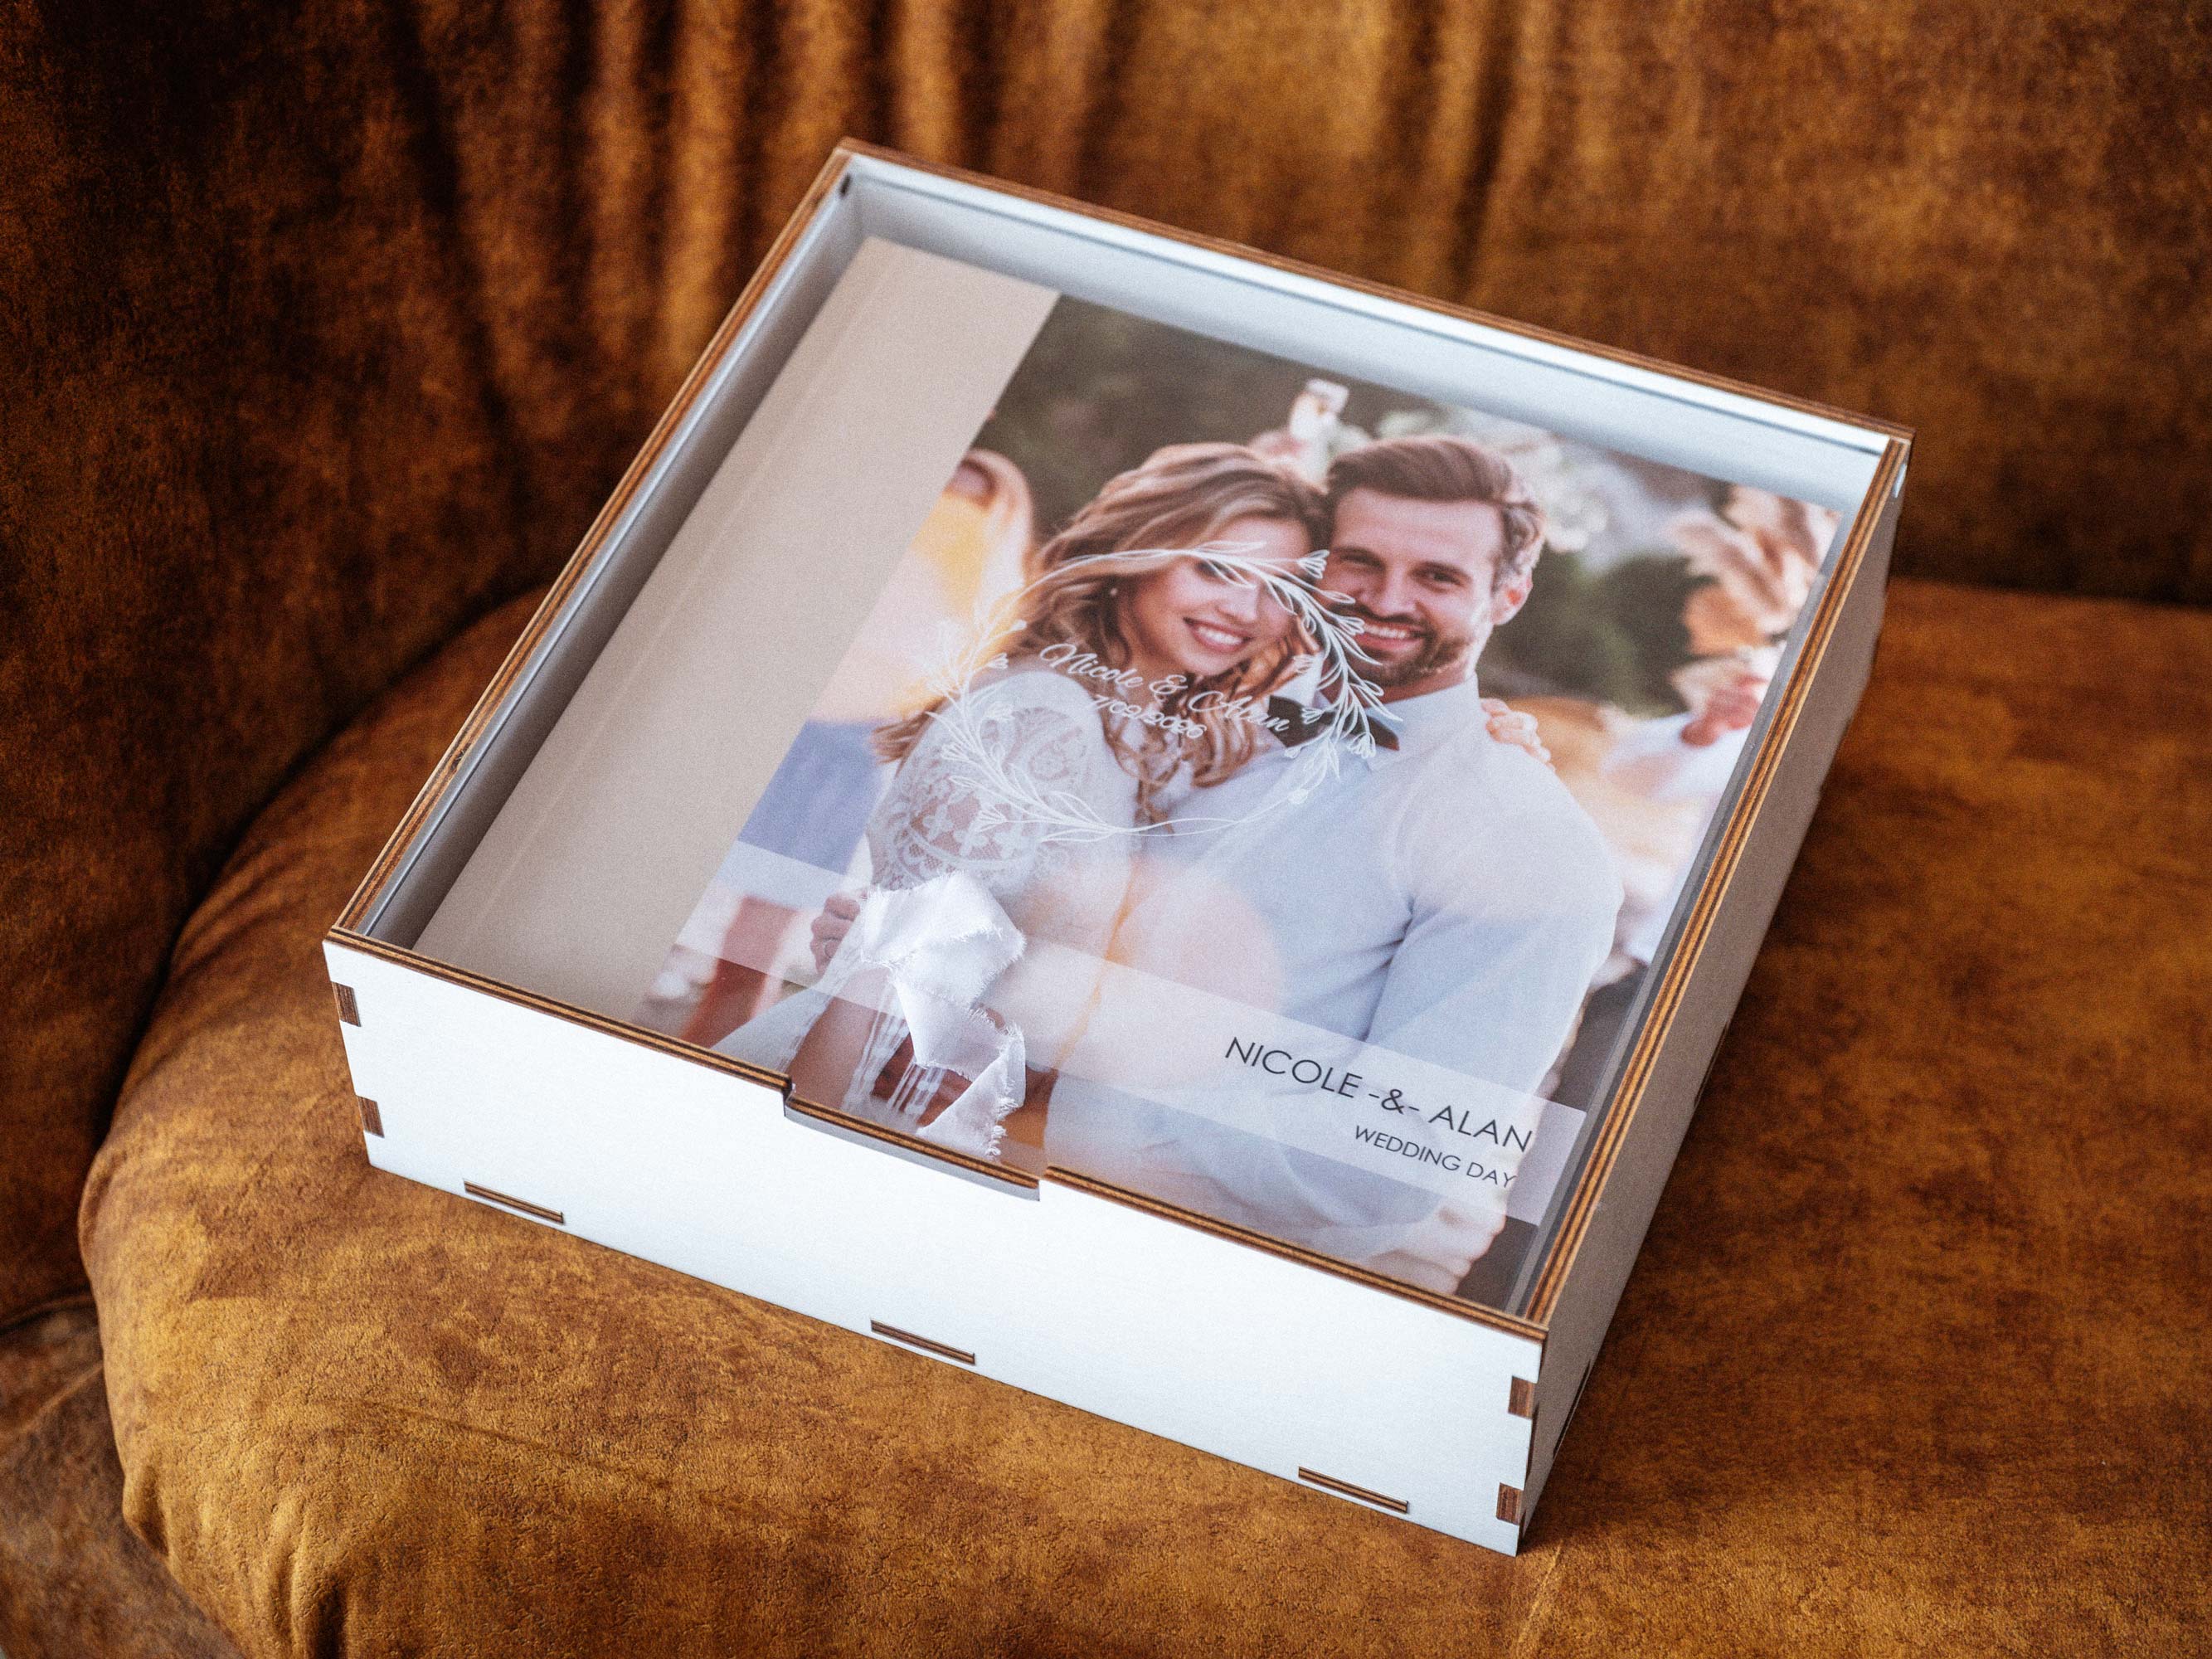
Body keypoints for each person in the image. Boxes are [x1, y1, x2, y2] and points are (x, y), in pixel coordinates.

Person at [1041, 435, 1623, 1290]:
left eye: (1438, 576)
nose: (1386, 599)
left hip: (1195, 1276)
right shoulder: (1231, 711)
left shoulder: (1525, 840)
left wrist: (1108, 1068)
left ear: (1508, 594)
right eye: (1360, 562)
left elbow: (1392, 1160)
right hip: (1009, 1172)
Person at [714, 443, 1328, 1160]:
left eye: (1279, 587)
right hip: (866, 1113)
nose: (1245, 609)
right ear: (1139, 553)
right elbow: (893, 980)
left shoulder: (1138, 737)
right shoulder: (1043, 713)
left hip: (960, 1121)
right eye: (1216, 568)